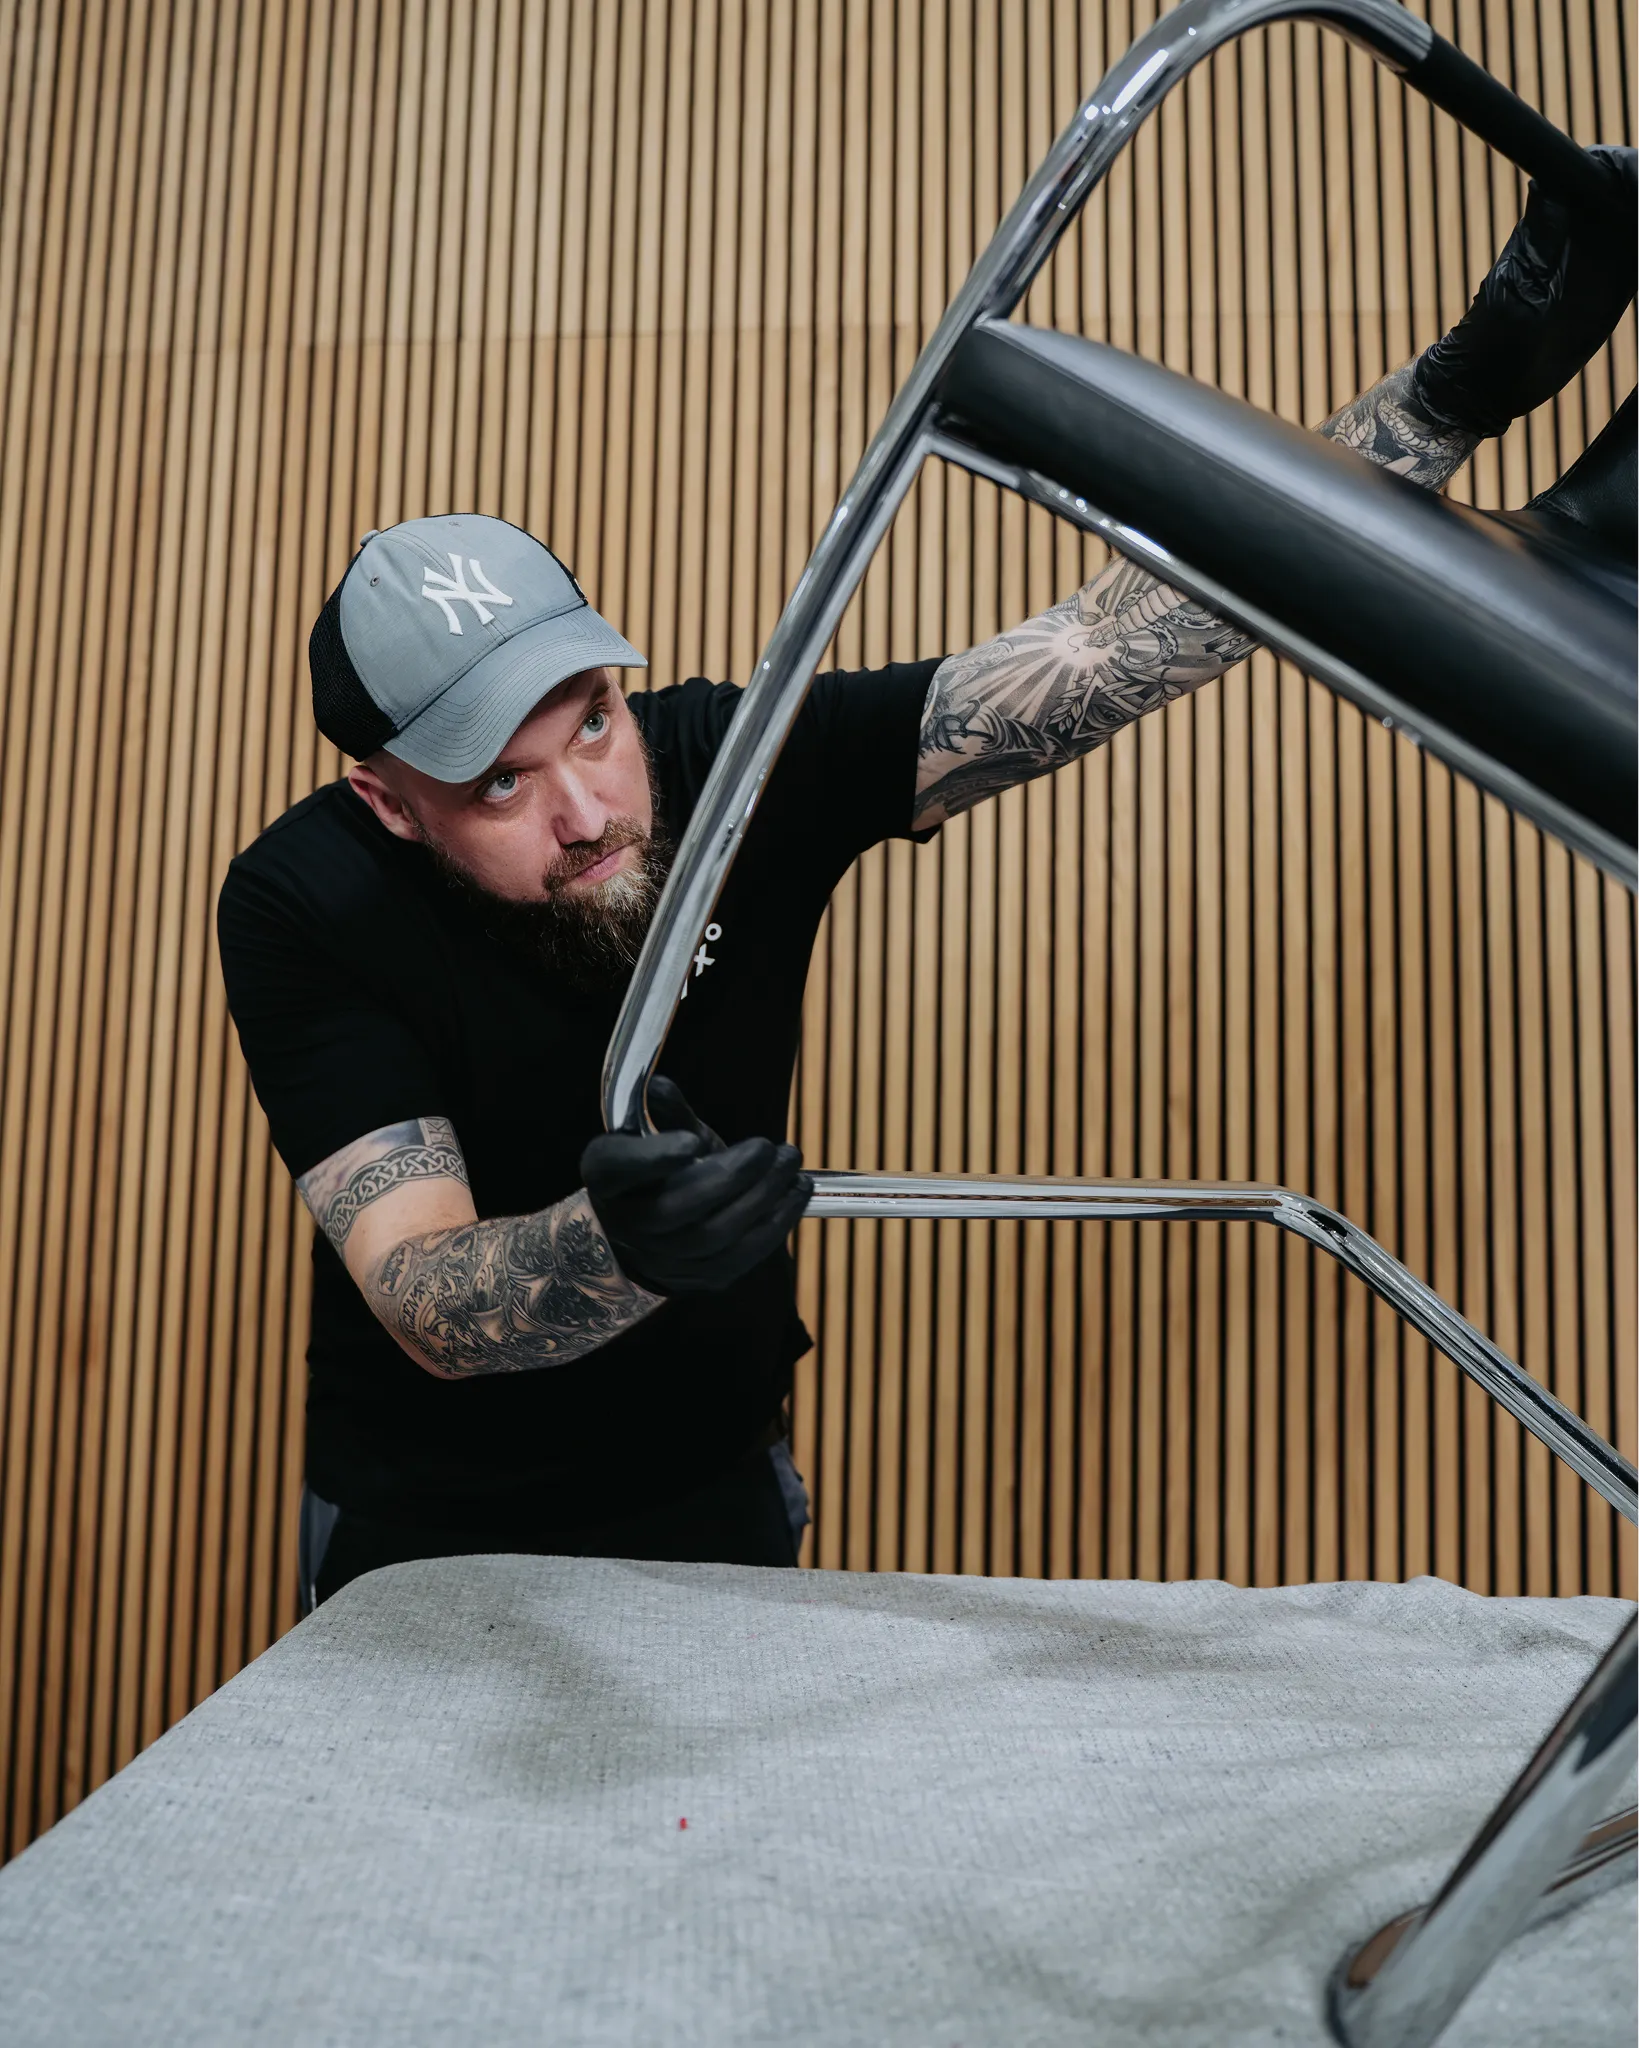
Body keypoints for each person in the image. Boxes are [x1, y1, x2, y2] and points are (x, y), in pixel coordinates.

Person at [217, 154, 1634, 1604]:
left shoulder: (728, 760)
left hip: (719, 1478)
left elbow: (1098, 652)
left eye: (592, 719)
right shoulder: (304, 900)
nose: (588, 812)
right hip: (432, 1527)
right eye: (498, 784)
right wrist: (616, 1245)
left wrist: (1456, 392)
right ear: (388, 802)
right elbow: (422, 1289)